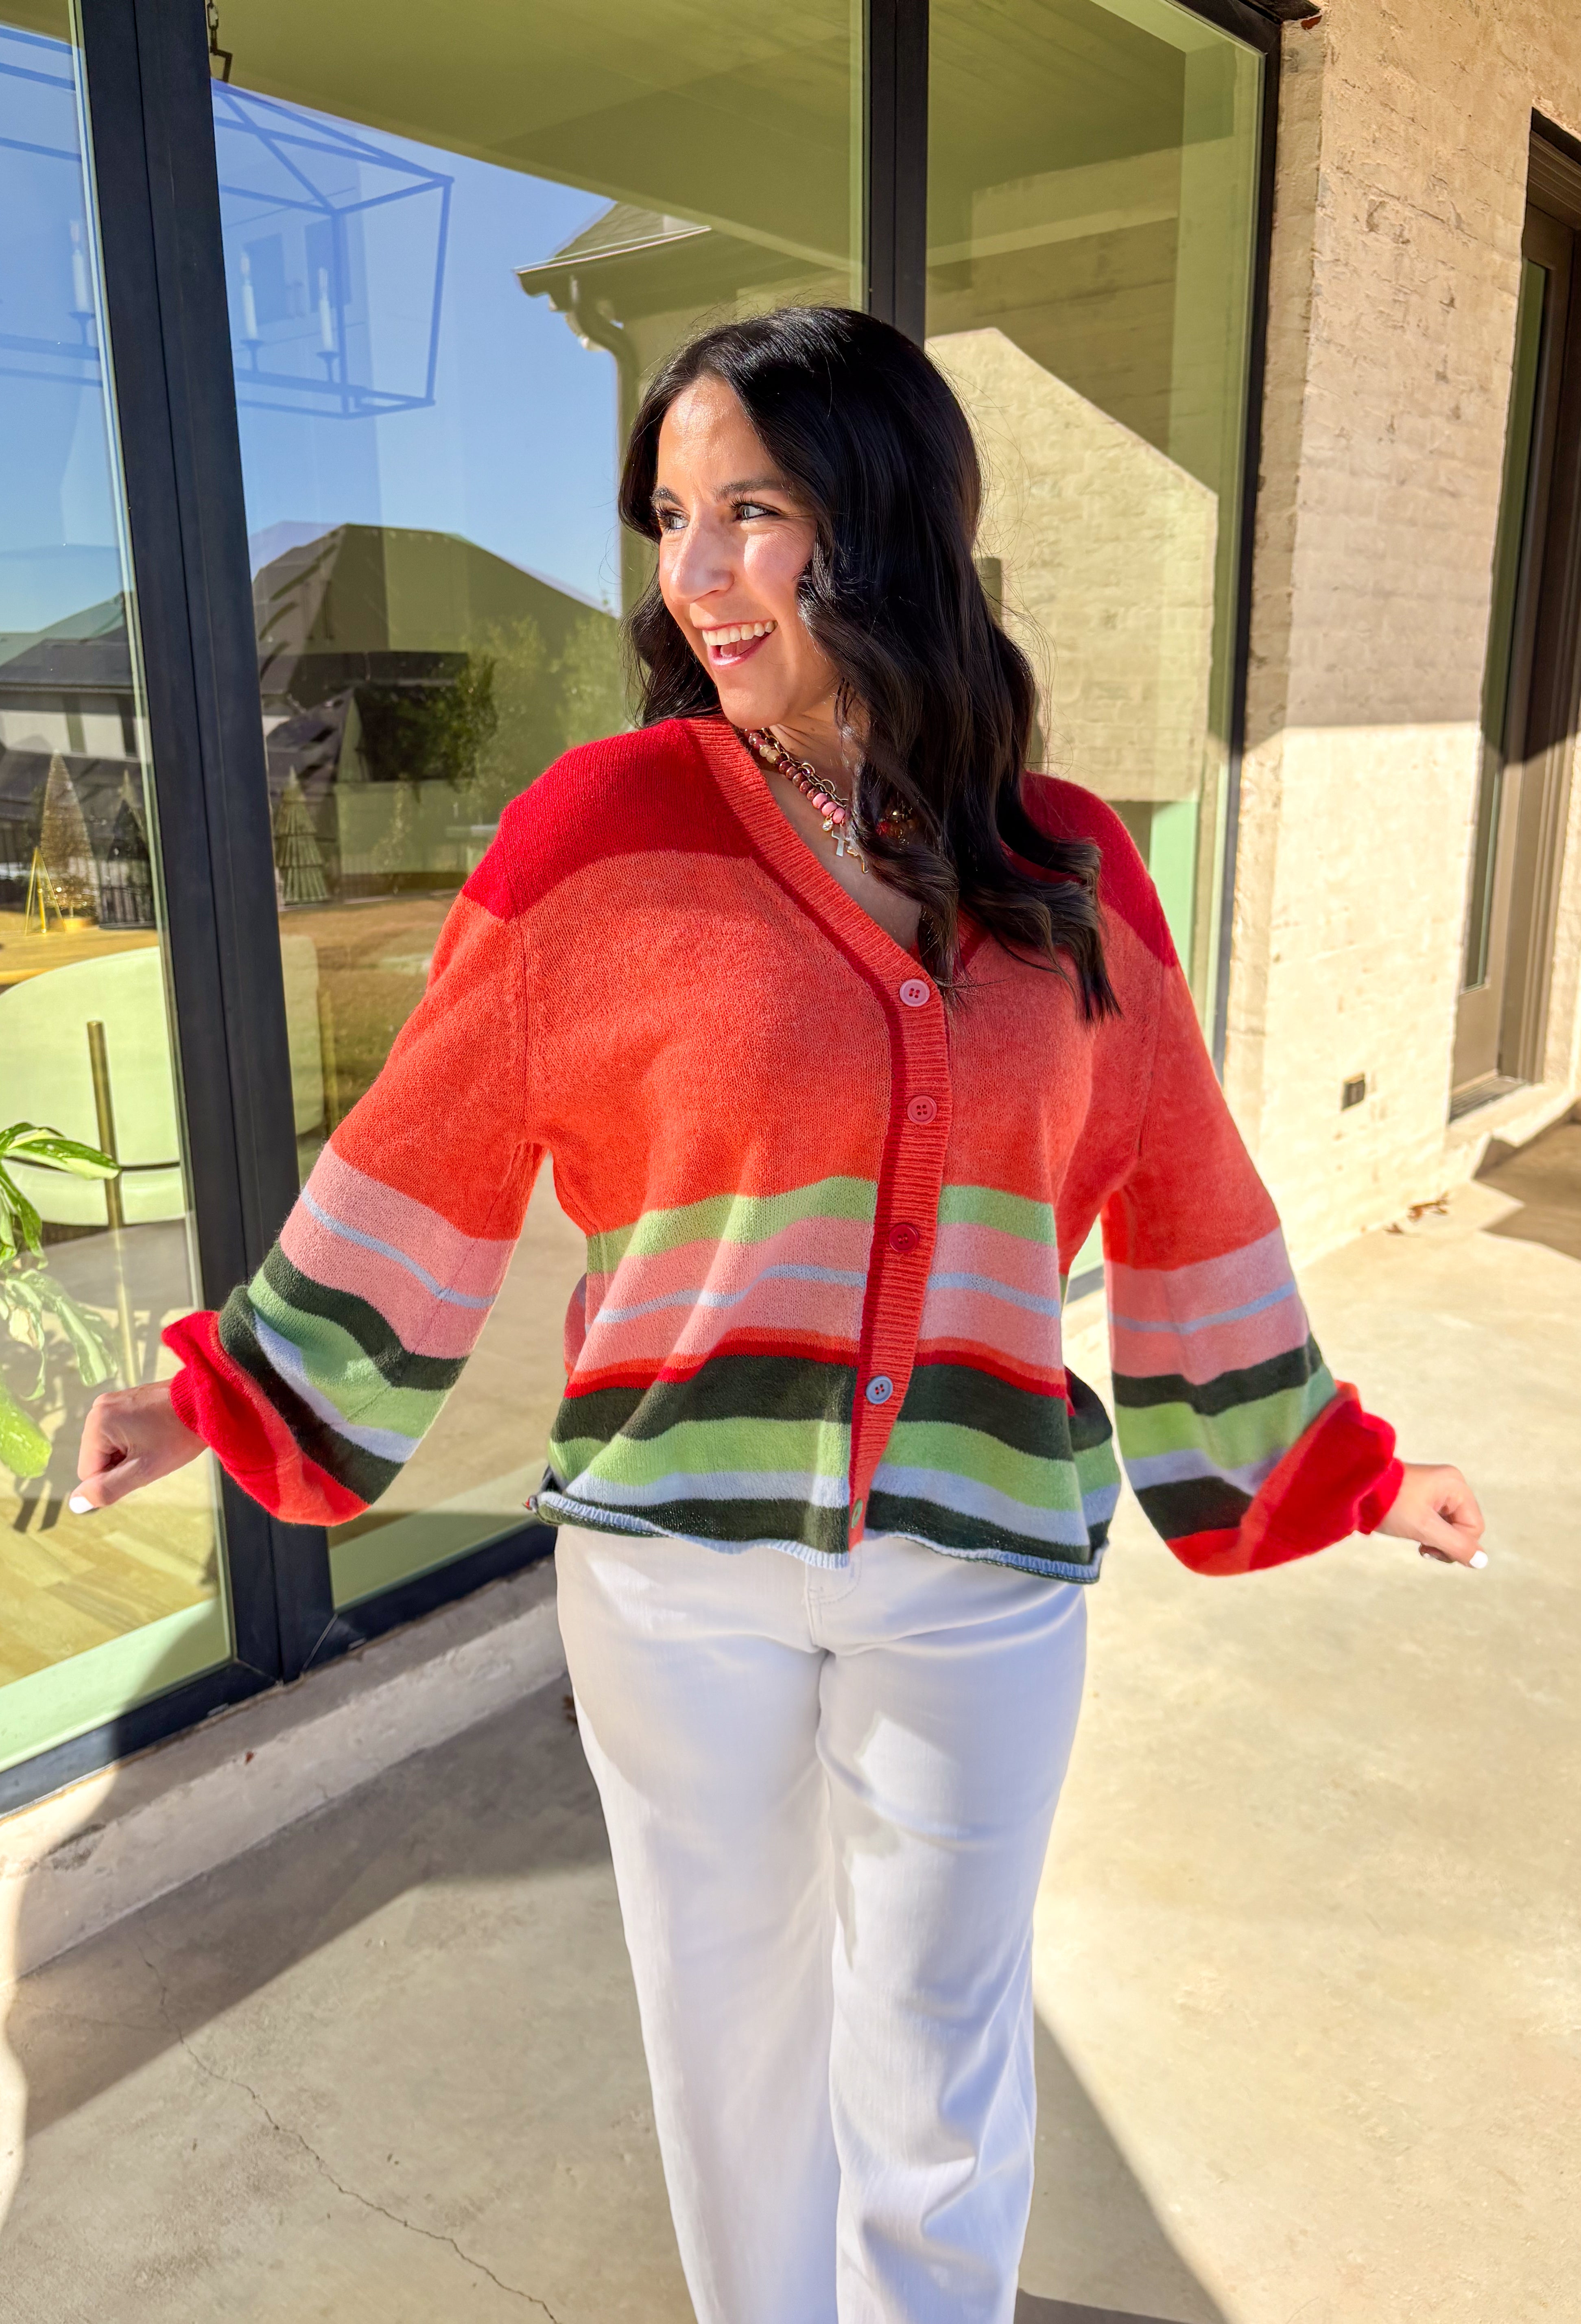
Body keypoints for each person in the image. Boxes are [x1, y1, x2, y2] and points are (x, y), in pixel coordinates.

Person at [72, 307, 1487, 2324]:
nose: (700, 573)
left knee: (939, 2056)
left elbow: (1191, 1202)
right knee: (733, 2051)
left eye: (755, 509)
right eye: (670, 518)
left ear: (885, 521)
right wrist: (228, 1393)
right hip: (675, 1574)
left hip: (979, 1565)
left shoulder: (1070, 873)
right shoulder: (604, 834)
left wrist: (1344, 1471)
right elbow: (429, 1142)